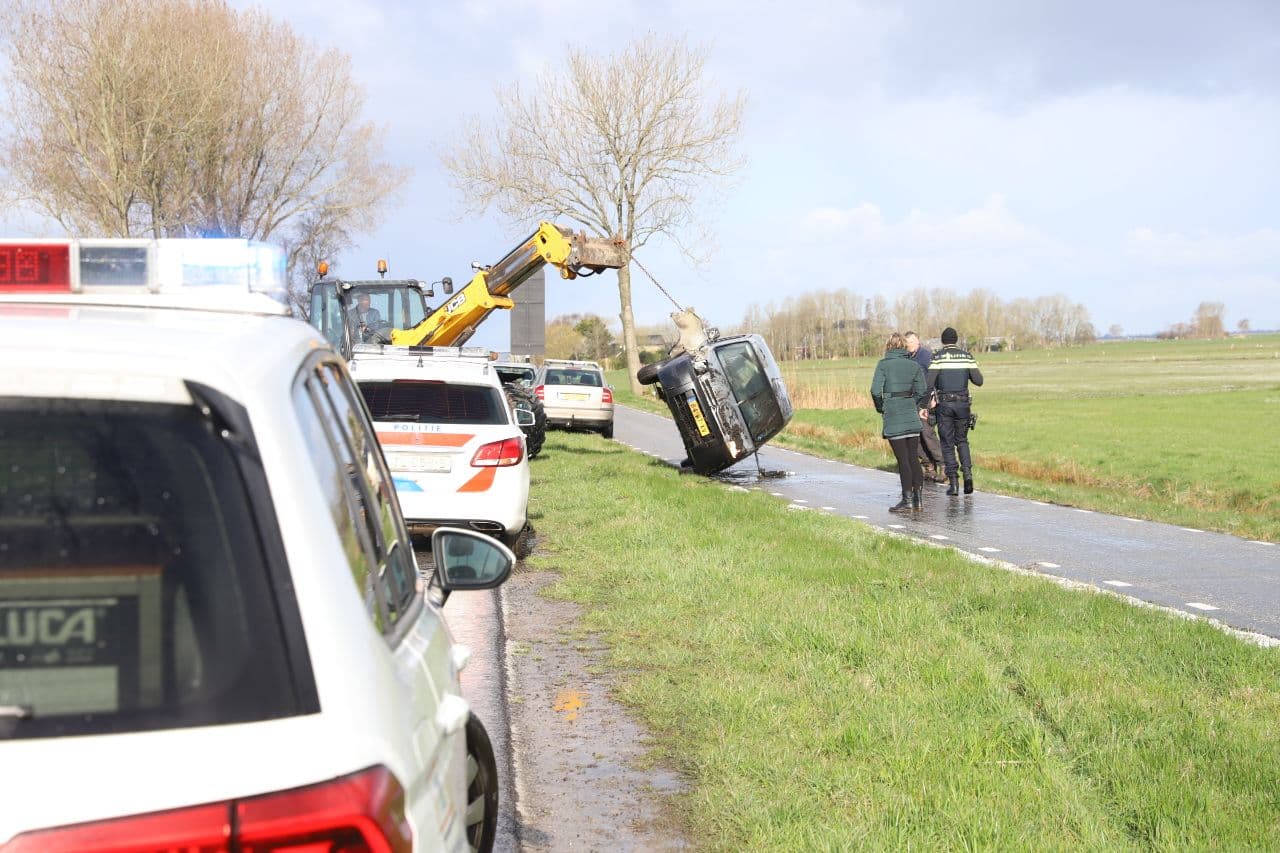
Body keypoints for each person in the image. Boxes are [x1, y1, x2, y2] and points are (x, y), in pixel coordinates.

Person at [870, 332, 929, 513]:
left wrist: (882, 407)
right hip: (911, 416)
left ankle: (907, 500)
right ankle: (918, 500)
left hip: (893, 415)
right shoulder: (913, 365)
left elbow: (874, 390)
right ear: (904, 346)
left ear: (888, 346)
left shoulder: (883, 365)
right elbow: (923, 390)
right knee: (913, 458)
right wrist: (914, 404)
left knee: (902, 460)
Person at [927, 327, 984, 496]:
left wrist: (925, 406)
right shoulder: (967, 356)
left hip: (945, 405)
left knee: (947, 443)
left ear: (943, 341)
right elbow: (979, 381)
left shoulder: (938, 357)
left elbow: (929, 383)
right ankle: (968, 477)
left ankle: (954, 483)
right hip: (963, 405)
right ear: (956, 340)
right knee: (962, 440)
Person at [905, 331, 944, 482]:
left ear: (917, 342)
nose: (910, 347)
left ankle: (943, 465)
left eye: (912, 343)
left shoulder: (926, 356)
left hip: (926, 399)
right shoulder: (906, 357)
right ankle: (928, 465)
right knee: (914, 436)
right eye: (908, 344)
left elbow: (935, 377)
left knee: (927, 433)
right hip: (911, 400)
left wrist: (935, 396)